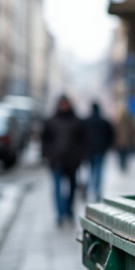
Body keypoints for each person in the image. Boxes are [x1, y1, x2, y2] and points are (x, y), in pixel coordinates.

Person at [41, 95, 88, 226]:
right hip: (56, 160)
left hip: (72, 161)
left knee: (72, 188)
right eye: (62, 104)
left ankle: (69, 210)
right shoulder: (51, 121)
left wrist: (81, 156)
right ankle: (60, 214)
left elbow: (83, 141)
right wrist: (46, 155)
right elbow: (44, 140)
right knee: (57, 188)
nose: (64, 106)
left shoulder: (77, 121)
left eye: (65, 104)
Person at [84, 101, 114, 202]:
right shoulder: (104, 122)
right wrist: (106, 146)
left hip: (89, 150)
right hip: (101, 150)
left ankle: (89, 188)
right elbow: (111, 135)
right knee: (99, 171)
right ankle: (97, 191)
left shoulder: (87, 121)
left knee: (91, 171)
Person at [114, 109, 135, 173]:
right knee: (125, 155)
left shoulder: (119, 123)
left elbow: (115, 133)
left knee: (121, 155)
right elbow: (134, 133)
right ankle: (124, 165)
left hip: (120, 143)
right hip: (127, 143)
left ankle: (122, 165)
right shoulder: (130, 124)